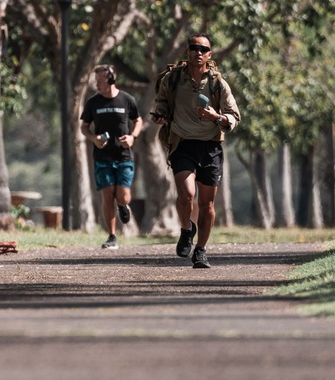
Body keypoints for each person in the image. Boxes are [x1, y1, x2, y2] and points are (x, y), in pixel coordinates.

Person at [150, 33, 240, 268]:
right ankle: (186, 229)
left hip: (210, 146)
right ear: (187, 51)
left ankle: (201, 250)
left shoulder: (217, 83)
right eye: (194, 48)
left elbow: (234, 116)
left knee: (207, 204)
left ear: (209, 55)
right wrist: (160, 114)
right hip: (183, 143)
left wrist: (217, 116)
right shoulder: (173, 79)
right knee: (186, 194)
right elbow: (161, 101)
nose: (198, 52)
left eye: (203, 49)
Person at [80, 64, 144, 250]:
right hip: (102, 157)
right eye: (96, 81)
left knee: (122, 196)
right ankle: (112, 236)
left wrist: (132, 137)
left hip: (124, 156)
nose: (97, 84)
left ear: (111, 79)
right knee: (107, 195)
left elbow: (138, 120)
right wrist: (93, 138)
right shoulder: (93, 103)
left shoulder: (127, 100)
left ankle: (124, 206)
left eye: (100, 81)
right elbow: (84, 127)